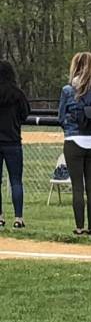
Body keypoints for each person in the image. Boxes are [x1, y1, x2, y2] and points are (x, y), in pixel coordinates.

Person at [58, 52, 91, 236]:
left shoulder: (68, 90)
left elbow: (61, 117)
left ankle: (79, 227)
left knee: (77, 186)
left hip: (73, 140)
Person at [0, 61, 30, 229]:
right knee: (16, 180)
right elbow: (25, 114)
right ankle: (18, 217)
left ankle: (0, 216)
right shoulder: (17, 94)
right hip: (12, 140)